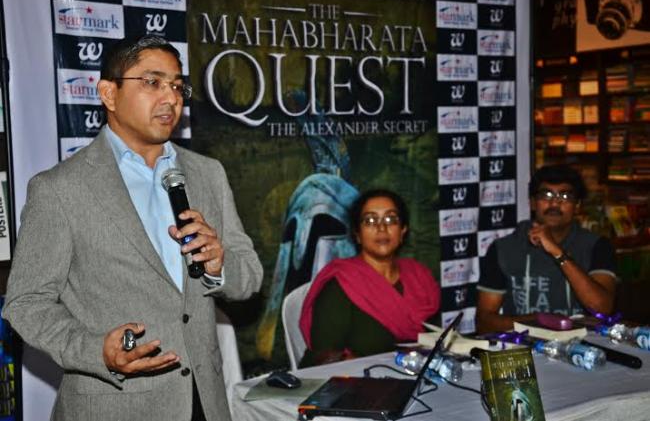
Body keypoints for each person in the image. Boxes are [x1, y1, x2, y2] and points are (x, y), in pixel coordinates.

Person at [2, 36, 263, 421]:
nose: (171, 97)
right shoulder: (59, 189)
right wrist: (95, 350)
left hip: (204, 403)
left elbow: (249, 279)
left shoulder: (208, 174)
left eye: (177, 86)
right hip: (114, 405)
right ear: (109, 93)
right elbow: (26, 303)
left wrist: (218, 266)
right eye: (153, 82)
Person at [298, 189, 441, 367]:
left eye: (390, 219)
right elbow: (325, 357)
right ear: (357, 234)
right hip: (352, 379)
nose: (381, 228)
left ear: (403, 230)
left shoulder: (420, 279)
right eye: (370, 221)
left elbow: (431, 343)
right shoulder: (341, 283)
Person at [476, 165, 617, 334]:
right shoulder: (504, 248)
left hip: (582, 345)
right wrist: (539, 320)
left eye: (565, 196)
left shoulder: (597, 245)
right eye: (546, 195)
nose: (555, 203)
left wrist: (557, 252)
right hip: (525, 345)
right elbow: (484, 323)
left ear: (577, 205)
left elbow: (602, 309)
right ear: (532, 203)